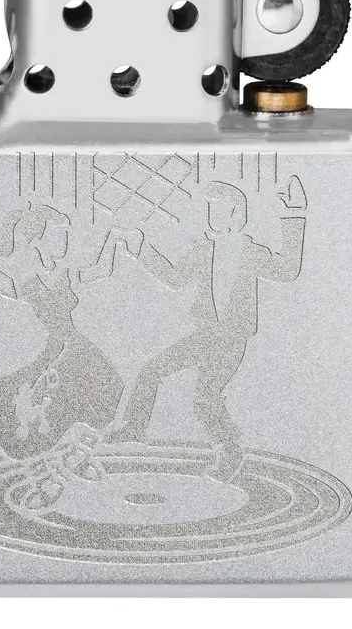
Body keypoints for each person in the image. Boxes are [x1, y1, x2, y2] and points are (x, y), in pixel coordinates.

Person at [89, 177, 307, 481]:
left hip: (231, 339)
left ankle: (229, 450)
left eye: (219, 211)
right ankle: (133, 428)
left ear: (237, 216)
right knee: (152, 370)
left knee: (205, 396)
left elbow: (287, 269)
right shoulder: (203, 248)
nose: (212, 217)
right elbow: (175, 278)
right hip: (205, 335)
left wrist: (294, 214)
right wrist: (140, 249)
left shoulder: (250, 252)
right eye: (210, 210)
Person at [0, 198, 123, 476]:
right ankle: (54, 458)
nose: (65, 240)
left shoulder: (66, 274)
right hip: (57, 351)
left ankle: (79, 449)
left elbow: (102, 269)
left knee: (107, 386)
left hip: (74, 344)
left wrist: (113, 239)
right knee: (45, 404)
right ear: (38, 240)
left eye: (65, 234)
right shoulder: (31, 282)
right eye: (58, 234)